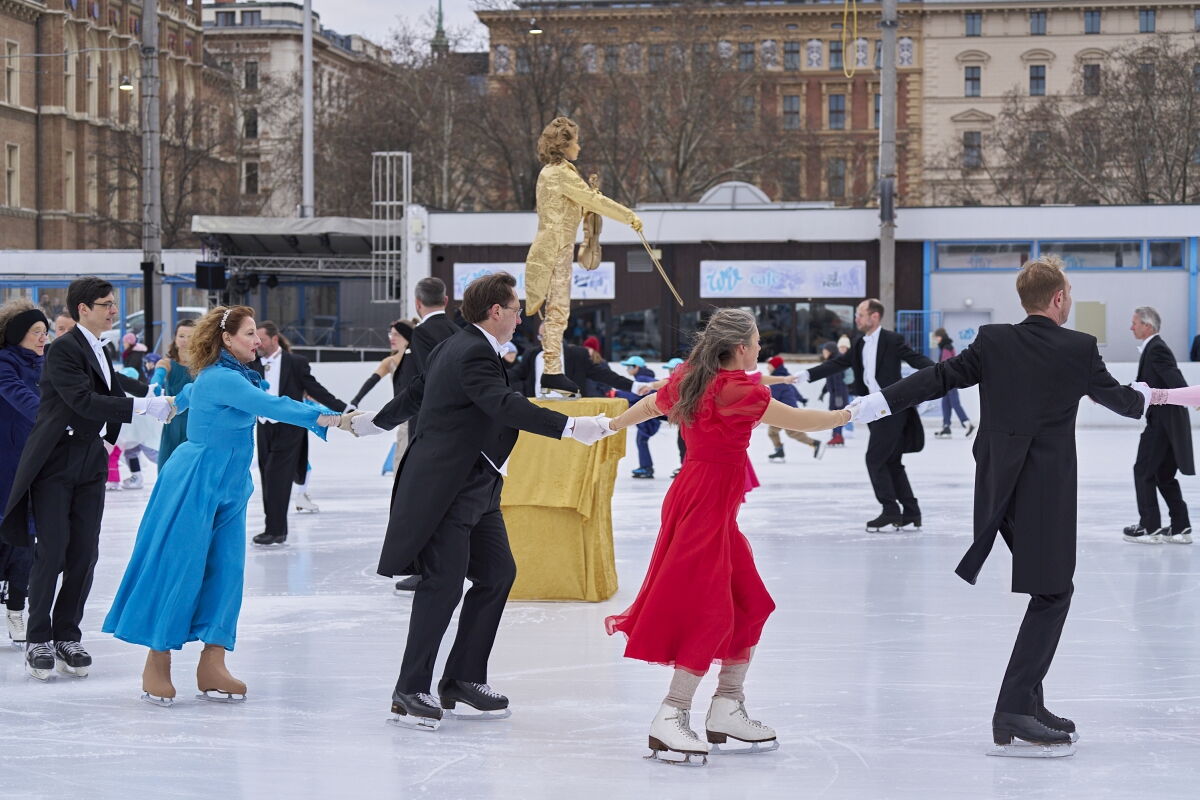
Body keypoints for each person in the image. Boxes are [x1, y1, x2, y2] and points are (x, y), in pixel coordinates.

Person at [849, 256, 1147, 754]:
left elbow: (939, 377)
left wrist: (878, 403)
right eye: (1069, 295)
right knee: (1054, 593)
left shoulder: (993, 341)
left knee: (1047, 587)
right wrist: (1156, 397)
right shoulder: (1078, 347)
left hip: (998, 485)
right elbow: (1121, 401)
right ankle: (1013, 707)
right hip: (1044, 490)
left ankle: (1028, 701)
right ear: (1058, 298)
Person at [347, 272, 613, 729]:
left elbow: (416, 393)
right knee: (443, 584)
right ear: (496, 311)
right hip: (447, 488)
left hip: (481, 484)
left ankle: (462, 679)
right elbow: (503, 404)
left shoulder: (461, 345)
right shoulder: (469, 350)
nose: (519, 319)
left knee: (496, 574)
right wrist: (571, 427)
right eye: (515, 311)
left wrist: (374, 423)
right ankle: (409, 688)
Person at [603, 309, 850, 764]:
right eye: (756, 342)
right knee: (708, 609)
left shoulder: (694, 378)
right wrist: (851, 412)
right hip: (705, 508)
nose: (760, 348)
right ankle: (672, 713)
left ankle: (727, 705)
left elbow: (653, 404)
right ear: (740, 348)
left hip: (703, 501)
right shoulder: (740, 390)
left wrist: (612, 425)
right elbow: (802, 421)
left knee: (749, 603)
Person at [103, 306, 354, 706]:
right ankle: (158, 659)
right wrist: (332, 418)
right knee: (180, 566)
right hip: (196, 479)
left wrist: (174, 402)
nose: (258, 340)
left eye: (257, 333)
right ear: (227, 339)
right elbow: (274, 406)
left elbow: (186, 396)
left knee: (228, 570)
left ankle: (213, 662)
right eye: (250, 333)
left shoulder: (226, 376)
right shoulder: (222, 378)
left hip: (231, 483)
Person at [0, 277, 171, 681]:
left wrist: (118, 429)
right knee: (52, 549)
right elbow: (82, 400)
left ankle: (66, 634)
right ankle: (38, 638)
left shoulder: (99, 348)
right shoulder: (62, 349)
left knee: (84, 552)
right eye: (106, 304)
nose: (114, 310)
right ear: (83, 309)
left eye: (113, 303)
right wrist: (144, 407)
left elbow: (112, 388)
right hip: (54, 462)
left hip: (89, 459)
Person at [525, 116, 643, 397]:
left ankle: (553, 370)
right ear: (563, 145)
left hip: (557, 248)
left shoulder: (556, 172)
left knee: (558, 312)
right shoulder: (559, 173)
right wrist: (628, 216)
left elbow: (585, 202)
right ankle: (552, 371)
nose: (578, 147)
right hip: (555, 250)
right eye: (575, 142)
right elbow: (592, 201)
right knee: (557, 312)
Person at [798, 299, 935, 532]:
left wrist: (943, 372)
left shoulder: (892, 340)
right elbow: (838, 363)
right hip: (874, 410)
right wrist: (807, 375)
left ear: (875, 317)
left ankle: (890, 510)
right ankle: (912, 511)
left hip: (893, 408)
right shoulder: (860, 343)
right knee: (891, 461)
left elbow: (916, 359)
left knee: (874, 459)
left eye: (860, 314)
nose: (856, 319)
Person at [248, 321, 347, 546]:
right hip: (264, 427)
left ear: (274, 339)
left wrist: (345, 409)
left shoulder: (295, 362)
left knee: (276, 476)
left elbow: (315, 389)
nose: (258, 343)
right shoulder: (253, 364)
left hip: (289, 428)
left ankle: (275, 530)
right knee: (267, 476)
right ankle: (275, 529)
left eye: (262, 339)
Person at [392, 280, 460, 592]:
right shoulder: (459, 331)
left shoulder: (421, 334)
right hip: (458, 428)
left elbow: (426, 383)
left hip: (429, 429)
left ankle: (426, 570)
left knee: (423, 500)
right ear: (445, 300)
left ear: (418, 304)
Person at [0, 300, 49, 645]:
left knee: (27, 538)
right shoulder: (4, 363)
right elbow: (21, 397)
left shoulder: (47, 363)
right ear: (18, 334)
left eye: (45, 332)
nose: (43, 338)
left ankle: (17, 608)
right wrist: (56, 418)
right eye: (36, 332)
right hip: (4, 462)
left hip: (35, 462)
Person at [1124, 306, 1193, 544]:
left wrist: (1194, 398)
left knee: (1143, 470)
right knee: (1163, 474)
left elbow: (1176, 381)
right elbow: (1144, 386)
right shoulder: (1153, 349)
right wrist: (1109, 394)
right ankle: (1181, 527)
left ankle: (1149, 527)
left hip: (1162, 424)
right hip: (1169, 423)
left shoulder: (1156, 349)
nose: (1131, 327)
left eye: (1134, 323)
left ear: (1147, 326)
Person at [349, 319, 414, 473]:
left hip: (421, 413)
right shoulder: (389, 361)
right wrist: (355, 401)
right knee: (401, 455)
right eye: (391, 334)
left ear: (407, 337)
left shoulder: (418, 358)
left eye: (396, 335)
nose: (392, 338)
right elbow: (372, 381)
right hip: (403, 416)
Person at [513, 323, 635, 399]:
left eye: (547, 336)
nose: (543, 340)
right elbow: (516, 375)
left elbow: (604, 375)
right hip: (539, 413)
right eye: (541, 336)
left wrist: (633, 386)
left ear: (558, 335)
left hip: (571, 413)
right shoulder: (532, 355)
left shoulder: (577, 355)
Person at [151, 319, 196, 468]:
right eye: (181, 336)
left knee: (190, 469)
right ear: (175, 339)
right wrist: (157, 381)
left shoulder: (203, 366)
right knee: (168, 466)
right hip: (173, 422)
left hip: (195, 423)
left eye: (190, 337)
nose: (185, 340)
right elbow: (160, 371)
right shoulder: (168, 363)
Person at [764, 355, 823, 463]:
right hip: (788, 411)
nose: (767, 367)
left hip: (784, 412)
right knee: (789, 432)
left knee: (776, 432)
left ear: (775, 366)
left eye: (770, 365)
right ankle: (813, 443)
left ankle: (813, 444)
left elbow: (773, 399)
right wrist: (801, 399)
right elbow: (793, 390)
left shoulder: (777, 380)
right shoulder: (785, 377)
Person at [616, 357, 661, 479]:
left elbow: (636, 395)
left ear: (637, 367)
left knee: (641, 441)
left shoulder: (642, 379)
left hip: (649, 418)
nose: (627, 369)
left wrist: (616, 393)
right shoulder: (643, 378)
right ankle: (646, 467)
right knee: (641, 441)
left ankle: (646, 468)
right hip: (650, 416)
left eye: (629, 367)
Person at [932, 328, 975, 439]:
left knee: (955, 403)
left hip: (950, 379)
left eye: (937, 337)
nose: (936, 340)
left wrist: (943, 377)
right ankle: (946, 427)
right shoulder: (946, 346)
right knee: (945, 403)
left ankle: (967, 423)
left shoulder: (946, 347)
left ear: (940, 337)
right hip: (947, 380)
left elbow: (946, 364)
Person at [819, 342, 850, 446]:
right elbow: (829, 380)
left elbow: (837, 381)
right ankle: (837, 436)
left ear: (830, 351)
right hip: (835, 394)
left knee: (837, 415)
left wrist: (838, 396)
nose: (823, 353)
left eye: (825, 351)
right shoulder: (831, 362)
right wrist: (823, 392)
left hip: (839, 394)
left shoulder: (836, 362)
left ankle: (837, 436)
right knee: (835, 415)